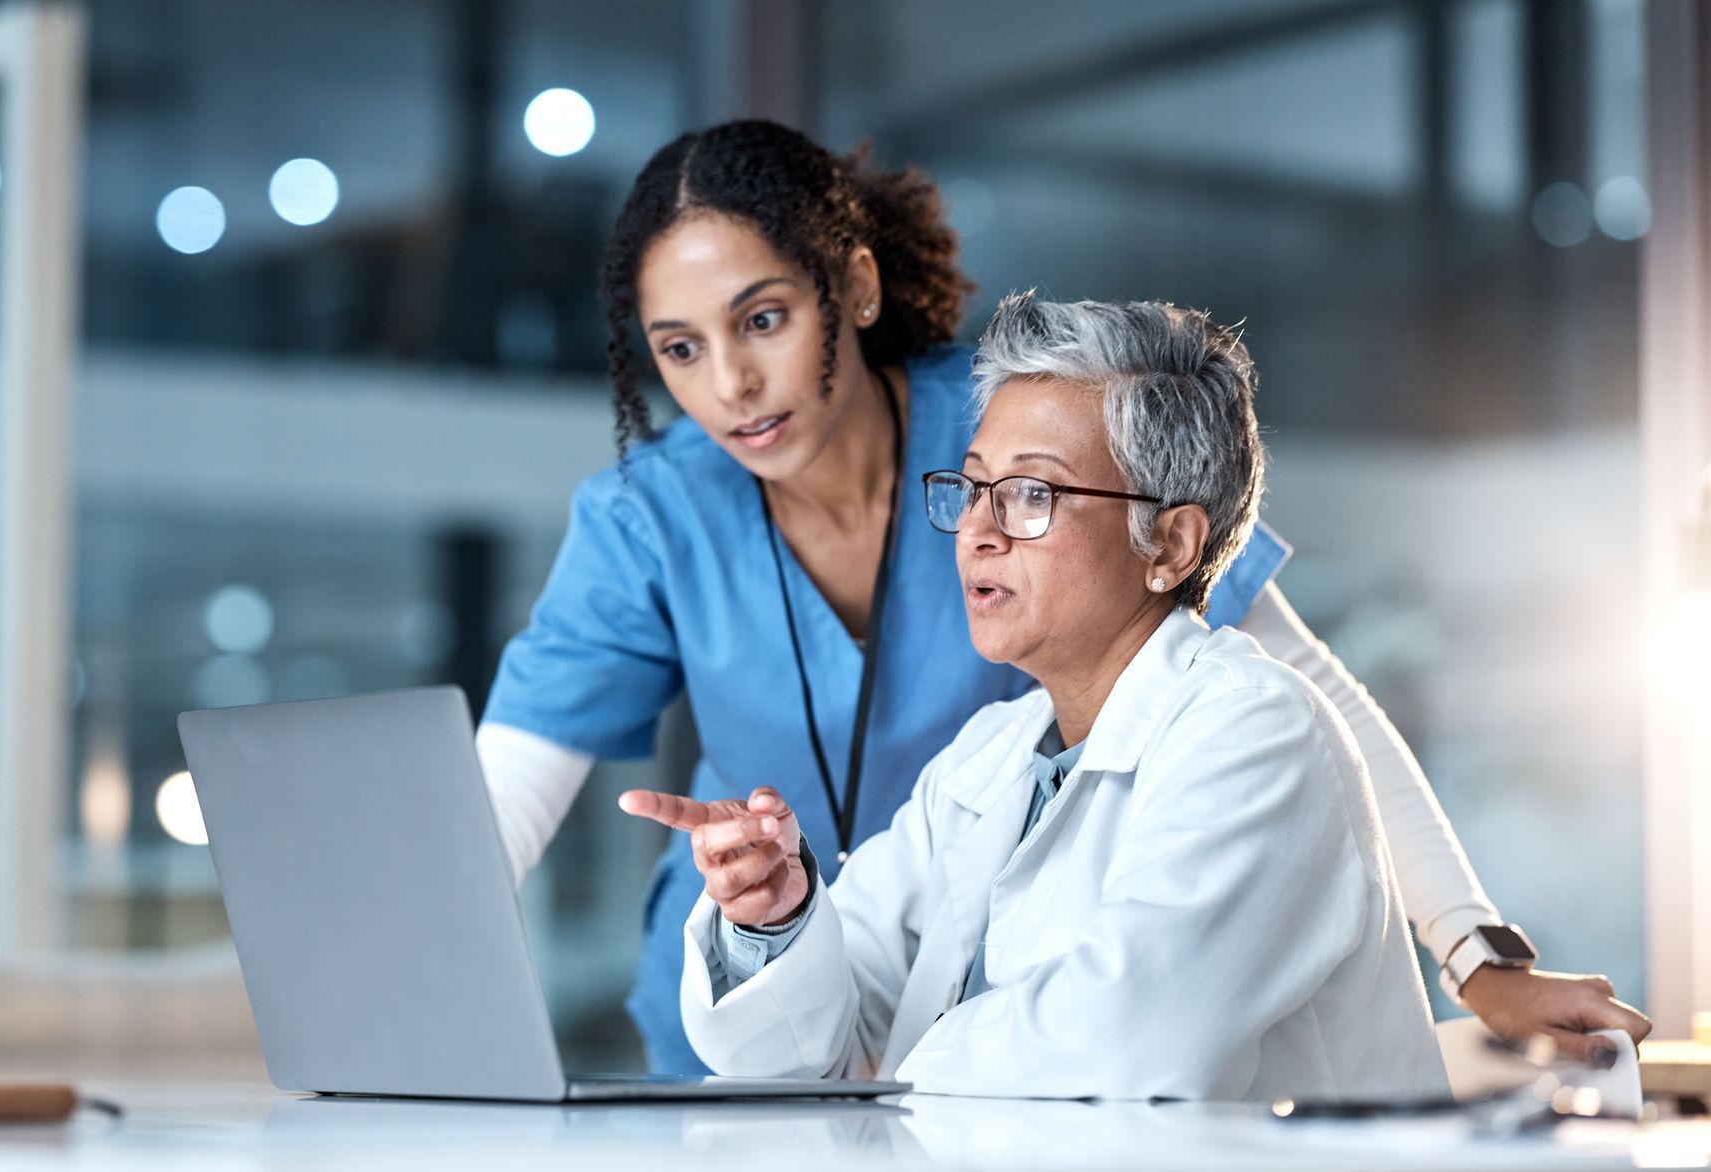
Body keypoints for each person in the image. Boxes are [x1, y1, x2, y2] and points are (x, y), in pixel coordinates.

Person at [477, 119, 1650, 1073]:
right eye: (678, 349)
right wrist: (772, 915)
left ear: (856, 288)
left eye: (764, 320)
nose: (729, 384)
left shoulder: (1020, 429)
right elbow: (496, 815)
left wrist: (1475, 952)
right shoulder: (659, 516)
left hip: (998, 1034)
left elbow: (1311, 695)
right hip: (818, 1002)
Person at [622, 295, 1449, 1100]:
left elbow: (1129, 1041)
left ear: (1169, 542)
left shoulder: (1257, 733)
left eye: (1031, 495)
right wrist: (777, 921)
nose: (979, 529)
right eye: (975, 487)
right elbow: (817, 1041)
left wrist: (892, 1072)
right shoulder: (993, 753)